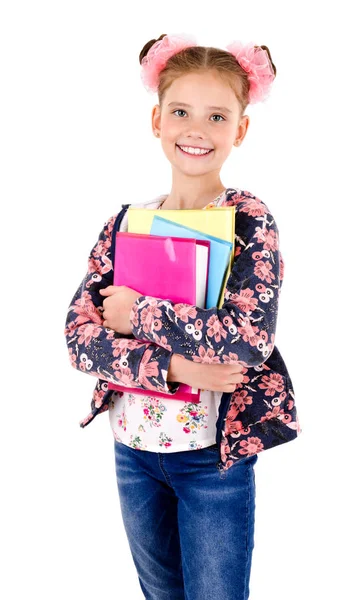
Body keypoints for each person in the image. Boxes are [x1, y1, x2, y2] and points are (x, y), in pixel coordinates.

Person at [64, 32, 302, 600]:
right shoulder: (127, 222)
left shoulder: (248, 220)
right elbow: (78, 339)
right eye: (181, 112)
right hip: (134, 451)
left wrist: (136, 311)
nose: (197, 129)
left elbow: (247, 342)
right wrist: (180, 367)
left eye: (217, 115)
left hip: (210, 460)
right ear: (157, 121)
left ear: (239, 129)